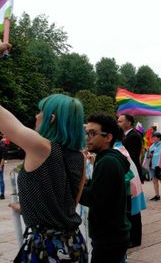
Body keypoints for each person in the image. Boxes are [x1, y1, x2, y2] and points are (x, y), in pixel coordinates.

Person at [1, 93, 88, 262]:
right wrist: (31, 206)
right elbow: (67, 205)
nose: (36, 115)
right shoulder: (80, 157)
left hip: (47, 247)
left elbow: (7, 123)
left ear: (51, 118)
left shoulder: (42, 147)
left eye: (40, 111)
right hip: (73, 243)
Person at [80, 114, 131, 263]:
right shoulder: (108, 158)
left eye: (92, 133)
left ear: (108, 137)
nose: (87, 137)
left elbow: (94, 199)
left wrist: (70, 187)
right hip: (114, 235)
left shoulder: (107, 162)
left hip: (109, 237)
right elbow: (103, 190)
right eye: (86, 133)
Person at [114, 139, 147, 248]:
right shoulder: (121, 148)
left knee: (132, 215)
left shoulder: (117, 150)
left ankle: (134, 240)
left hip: (130, 186)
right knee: (134, 214)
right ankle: (135, 239)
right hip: (133, 183)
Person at [118, 114, 145, 183]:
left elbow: (131, 156)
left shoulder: (133, 136)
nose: (117, 123)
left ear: (128, 123)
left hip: (131, 171)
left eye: (120, 121)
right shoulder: (125, 135)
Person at [0, 135, 6, 200]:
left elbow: (3, 158)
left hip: (0, 165)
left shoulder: (1, 146)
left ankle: (2, 194)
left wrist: (0, 166)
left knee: (1, 180)